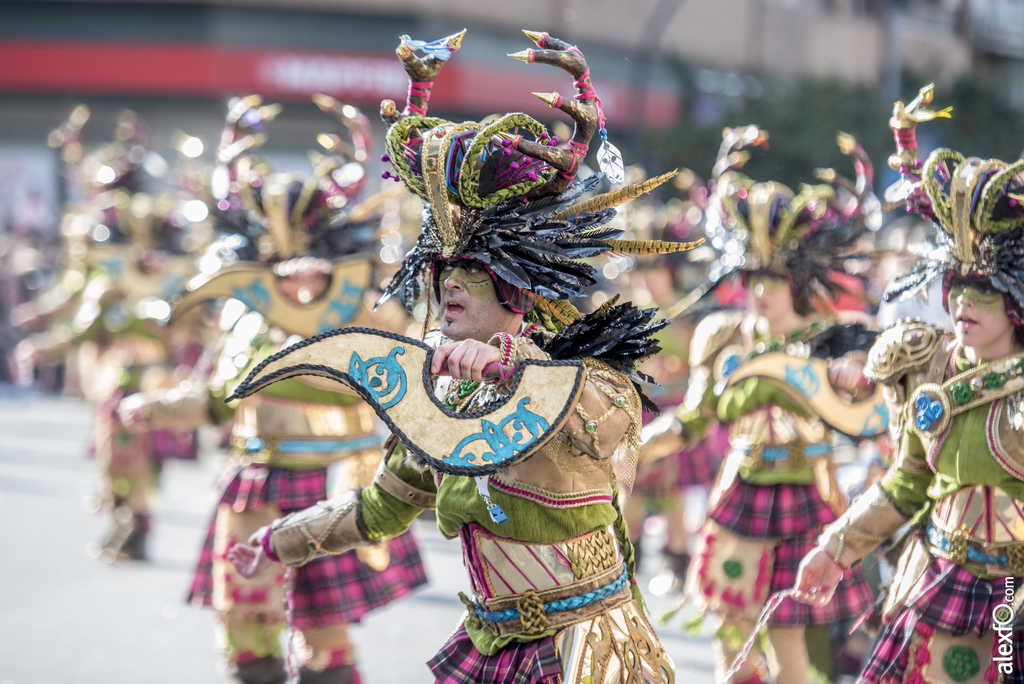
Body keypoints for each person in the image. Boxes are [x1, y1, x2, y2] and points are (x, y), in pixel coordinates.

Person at [225, 30, 702, 684]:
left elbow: (611, 424)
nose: (448, 282)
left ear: (517, 286)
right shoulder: (441, 396)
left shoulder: (586, 374)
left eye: (471, 270)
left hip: (586, 646)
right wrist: (279, 540)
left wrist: (513, 365)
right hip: (493, 641)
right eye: (441, 267)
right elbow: (379, 508)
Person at [119, 96, 428, 684]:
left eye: (313, 262)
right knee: (242, 616)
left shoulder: (370, 317)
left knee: (323, 628)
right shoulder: (244, 321)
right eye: (285, 266)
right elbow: (214, 399)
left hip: (331, 482)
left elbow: (396, 390)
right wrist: (153, 407)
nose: (299, 276)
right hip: (253, 480)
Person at [794, 85, 1024, 684]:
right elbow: (906, 482)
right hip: (938, 575)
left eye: (986, 291)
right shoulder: (928, 364)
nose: (964, 303)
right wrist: (836, 548)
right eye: (958, 285)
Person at [643, 125, 884, 683]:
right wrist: (630, 451)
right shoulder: (723, 335)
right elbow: (693, 421)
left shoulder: (836, 337)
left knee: (791, 651)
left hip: (808, 495)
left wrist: (859, 378)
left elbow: (872, 416)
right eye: (754, 276)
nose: (762, 290)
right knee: (731, 646)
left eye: (775, 277)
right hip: (739, 494)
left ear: (799, 278)